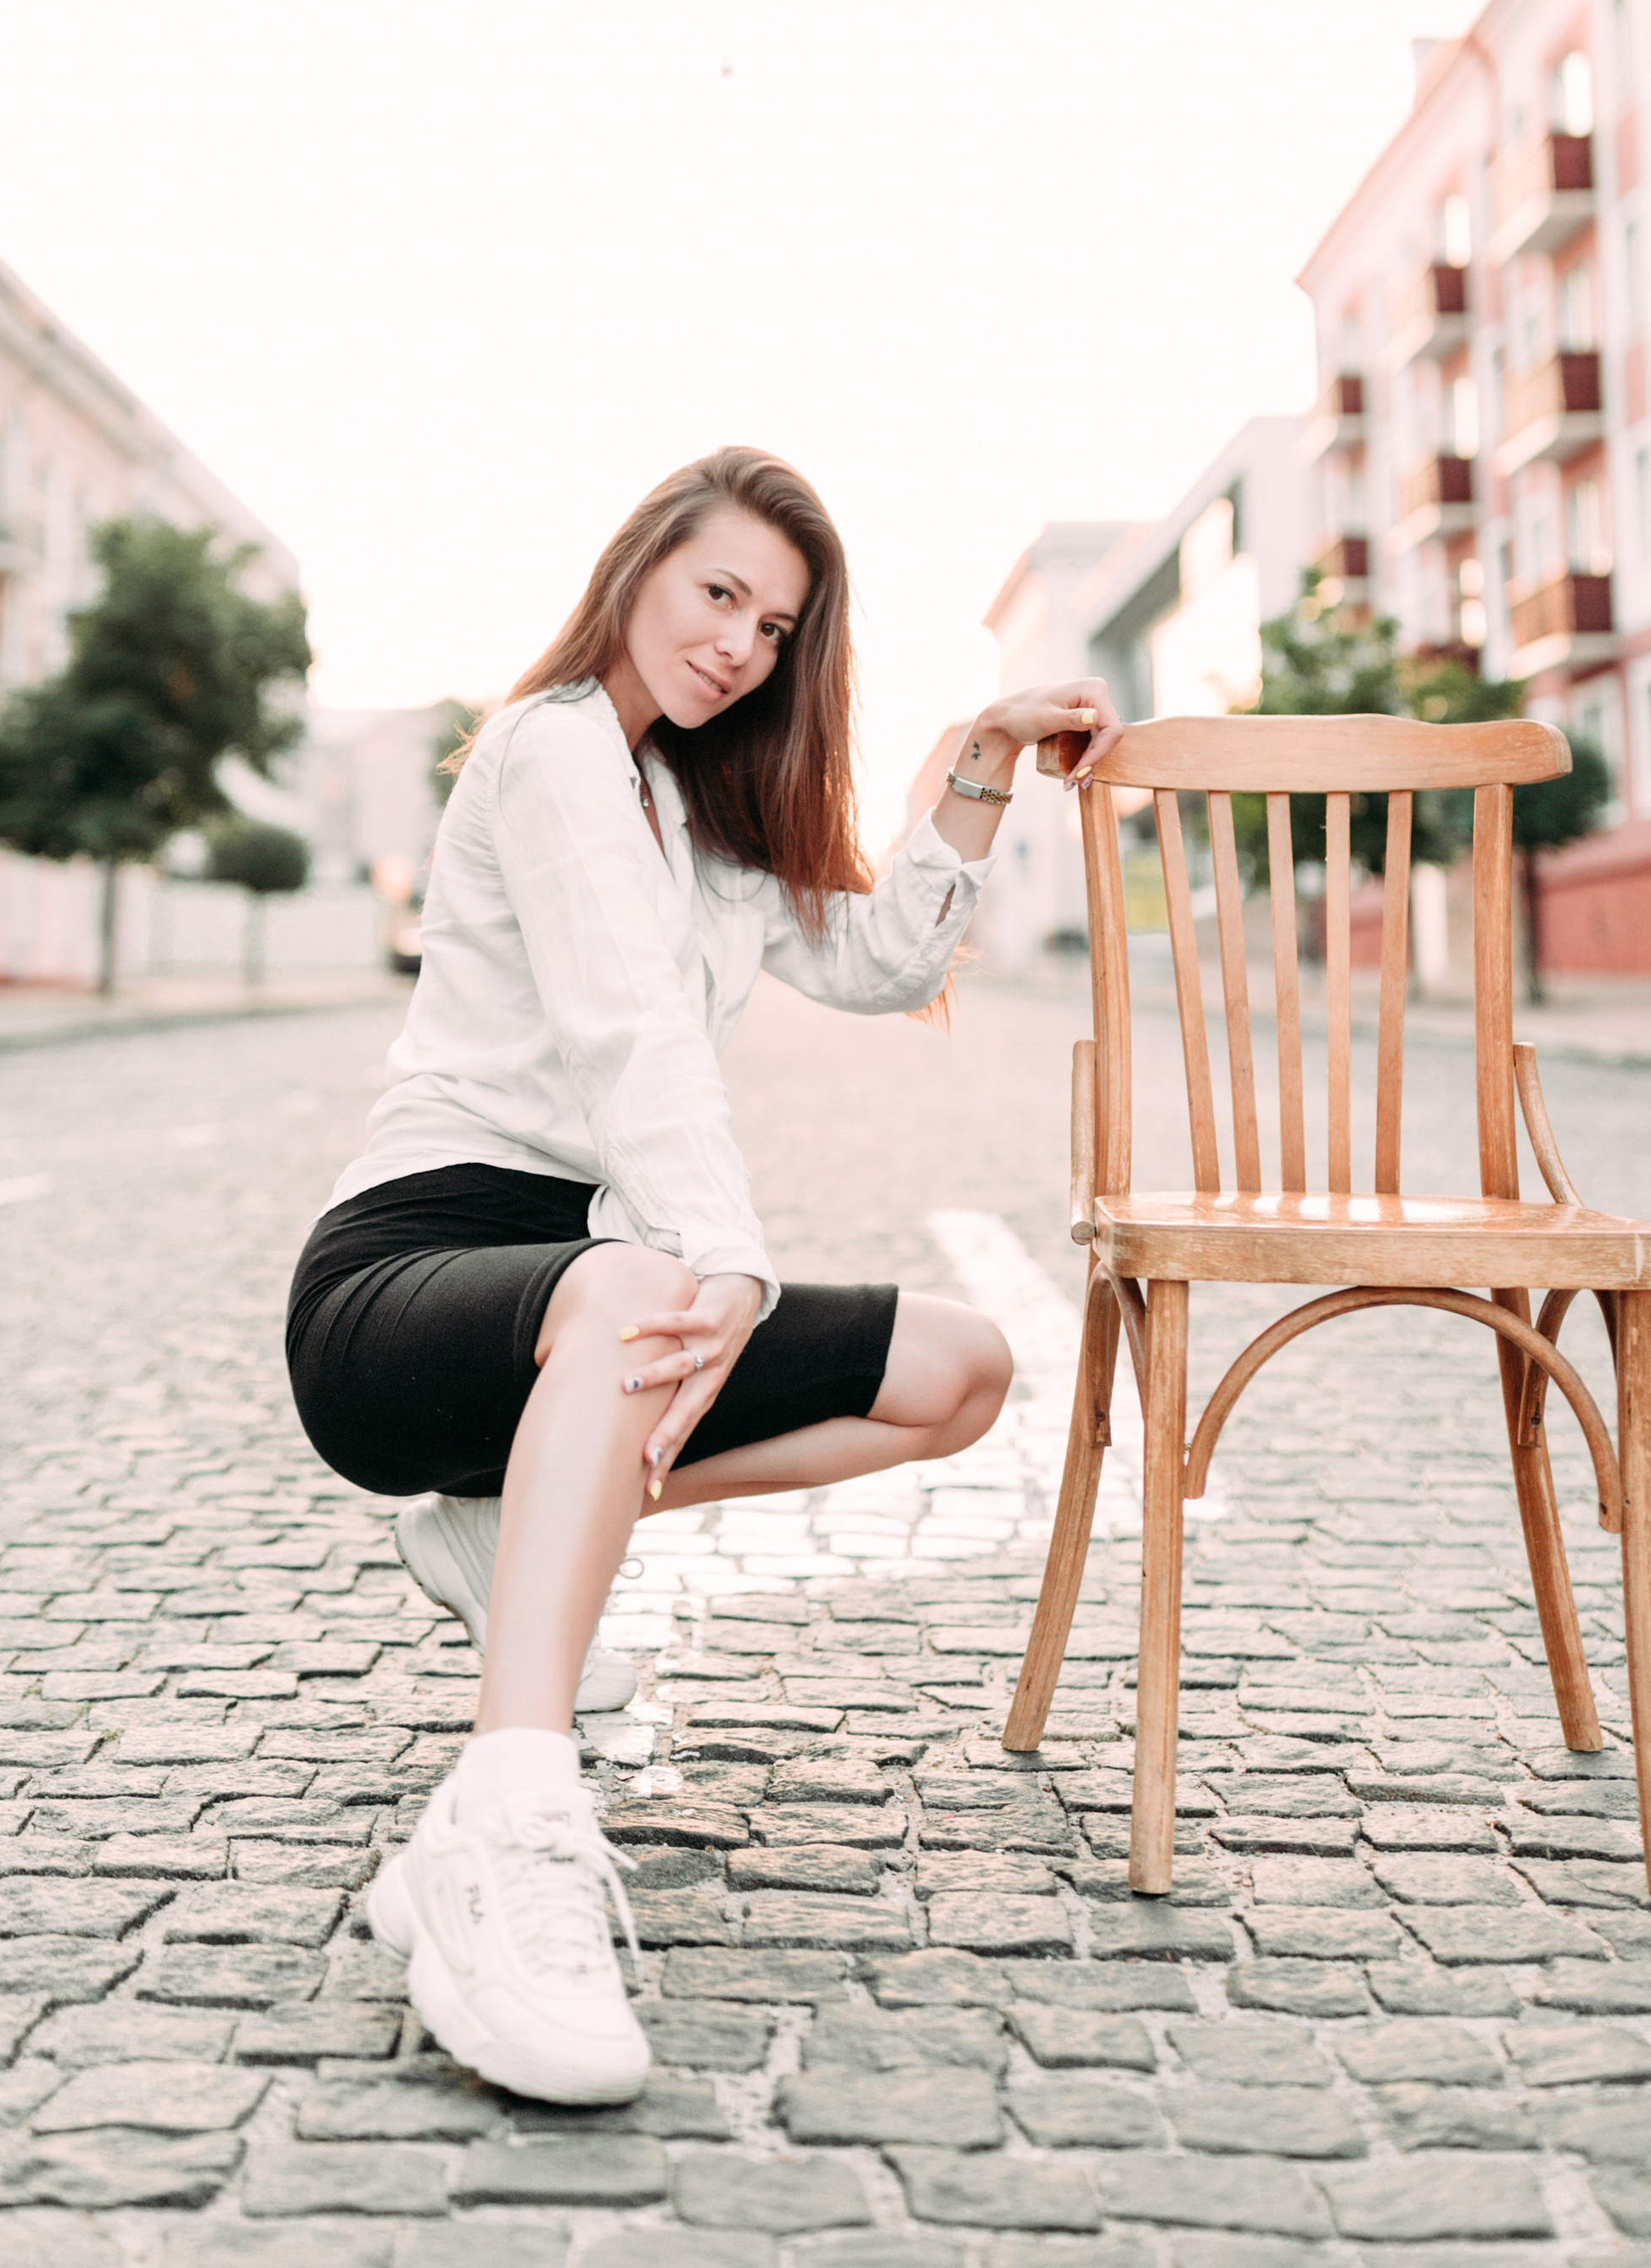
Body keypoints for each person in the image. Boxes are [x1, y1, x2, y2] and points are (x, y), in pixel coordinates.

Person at [284, 446, 1117, 2104]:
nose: (739, 643)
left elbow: (882, 961)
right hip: (410, 1270)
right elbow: (622, 1025)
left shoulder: (715, 826)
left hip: (589, 1296)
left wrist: (978, 760)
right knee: (630, 1287)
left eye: (775, 625)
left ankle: (507, 1517)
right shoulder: (547, 754)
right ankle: (503, 1823)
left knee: (956, 1369)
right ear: (638, 569)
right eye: (716, 592)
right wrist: (715, 1260)